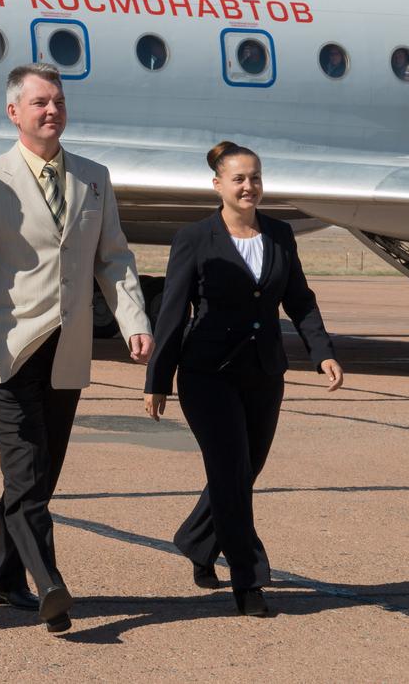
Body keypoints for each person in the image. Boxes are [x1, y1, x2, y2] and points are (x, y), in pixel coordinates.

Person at [0, 63, 153, 634]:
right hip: (8, 352)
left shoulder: (94, 178)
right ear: (14, 113)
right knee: (25, 473)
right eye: (39, 103)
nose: (52, 111)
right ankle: (47, 583)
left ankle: (1, 579)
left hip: (67, 351)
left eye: (58, 102)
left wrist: (133, 321)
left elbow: (114, 258)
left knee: (39, 475)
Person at [143, 141, 345, 617]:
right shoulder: (195, 237)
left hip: (263, 373)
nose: (248, 186)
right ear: (218, 185)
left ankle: (196, 540)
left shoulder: (279, 234)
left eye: (255, 177)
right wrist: (158, 379)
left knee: (244, 470)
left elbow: (299, 298)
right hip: (206, 374)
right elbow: (173, 311)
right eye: (238, 178)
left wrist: (322, 353)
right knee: (231, 472)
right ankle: (249, 579)